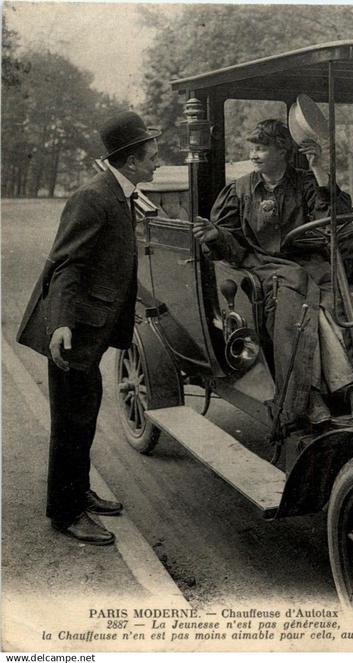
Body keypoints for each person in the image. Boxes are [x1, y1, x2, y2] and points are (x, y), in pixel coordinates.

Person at [17, 111, 160, 545]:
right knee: (72, 421)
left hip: (89, 328)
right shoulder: (93, 197)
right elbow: (66, 266)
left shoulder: (119, 193)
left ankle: (77, 492)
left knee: (84, 414)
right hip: (72, 330)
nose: (157, 162)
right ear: (131, 161)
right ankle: (66, 513)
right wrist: (60, 326)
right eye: (151, 156)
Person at [193, 119, 353, 428]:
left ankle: (339, 385)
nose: (254, 155)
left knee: (332, 298)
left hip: (307, 262)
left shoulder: (307, 183)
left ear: (283, 150)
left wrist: (320, 168)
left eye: (262, 148)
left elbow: (335, 217)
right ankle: (307, 396)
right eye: (252, 148)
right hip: (262, 264)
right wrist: (215, 235)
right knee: (293, 293)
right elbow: (234, 245)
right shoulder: (240, 190)